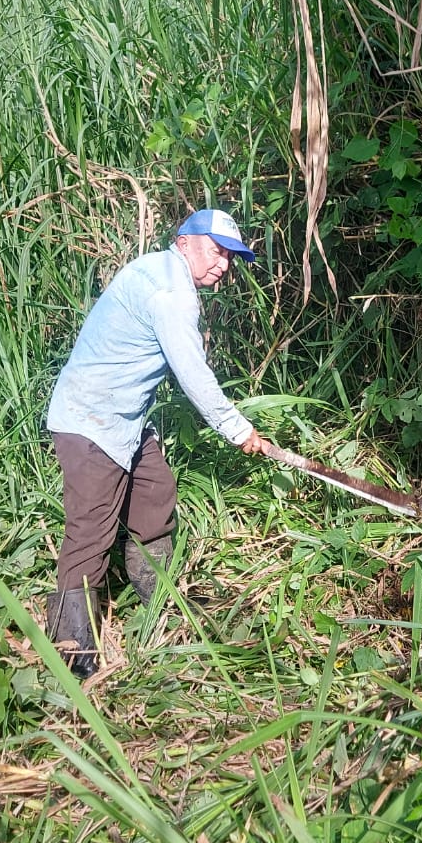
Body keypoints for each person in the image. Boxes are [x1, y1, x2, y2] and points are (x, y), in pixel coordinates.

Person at [44, 207, 269, 677]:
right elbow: (194, 376)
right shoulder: (172, 295)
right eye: (216, 251)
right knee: (91, 533)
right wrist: (238, 430)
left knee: (154, 489)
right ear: (184, 242)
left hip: (122, 420)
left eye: (230, 257)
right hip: (91, 421)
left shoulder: (156, 269)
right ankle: (73, 657)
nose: (223, 265)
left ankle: (157, 599)